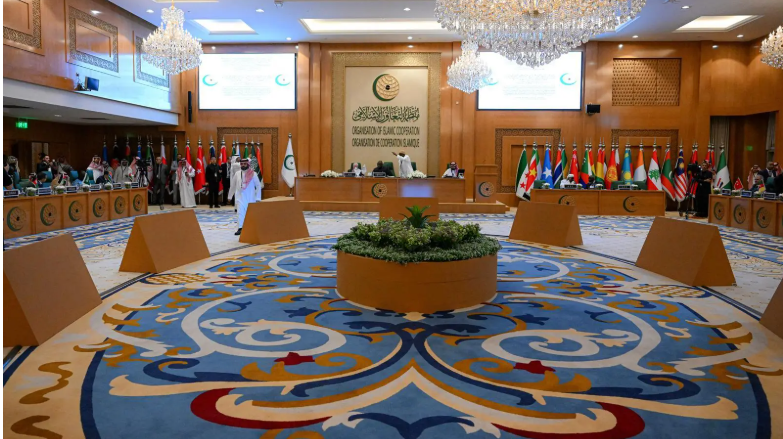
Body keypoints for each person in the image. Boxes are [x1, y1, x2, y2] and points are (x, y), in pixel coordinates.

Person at [232, 158, 262, 236]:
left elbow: (258, 186)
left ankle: (252, 228)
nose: (243, 165)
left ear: (248, 164)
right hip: (240, 198)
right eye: (241, 164)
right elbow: (233, 185)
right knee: (240, 213)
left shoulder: (253, 174)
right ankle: (240, 228)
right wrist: (230, 196)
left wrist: (258, 198)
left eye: (245, 164)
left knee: (250, 214)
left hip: (250, 198)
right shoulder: (237, 174)